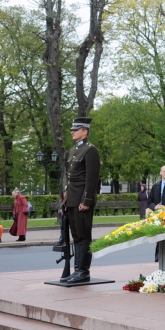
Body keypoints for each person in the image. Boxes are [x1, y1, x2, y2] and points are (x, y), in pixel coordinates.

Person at [61, 116, 100, 284]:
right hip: (72, 199)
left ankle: (83, 271)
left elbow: (91, 179)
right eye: (72, 129)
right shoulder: (73, 150)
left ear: (85, 132)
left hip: (82, 200)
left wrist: (87, 200)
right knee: (76, 236)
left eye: (76, 130)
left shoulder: (90, 150)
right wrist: (65, 201)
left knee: (83, 236)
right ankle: (77, 270)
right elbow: (70, 178)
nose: (72, 132)